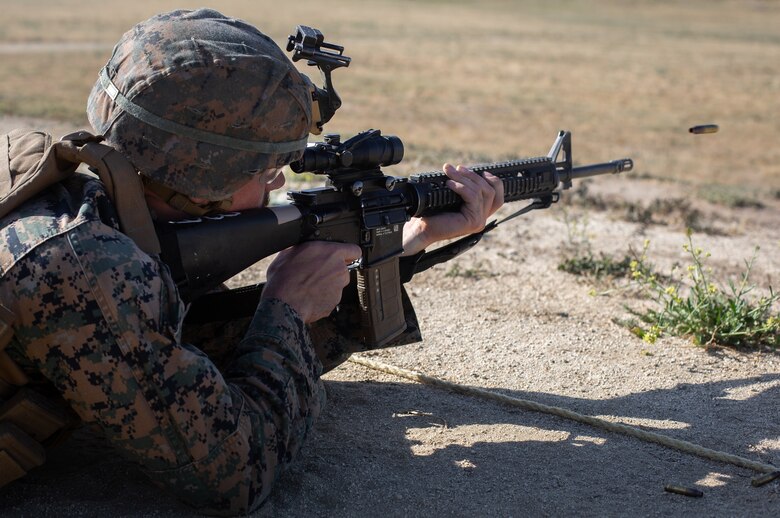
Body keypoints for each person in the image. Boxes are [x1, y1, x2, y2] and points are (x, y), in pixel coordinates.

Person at [0, 8, 503, 516]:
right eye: (266, 167)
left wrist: (406, 242)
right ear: (206, 173)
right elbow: (234, 474)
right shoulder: (83, 265)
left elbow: (169, 350)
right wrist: (287, 310)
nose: (278, 182)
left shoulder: (71, 191)